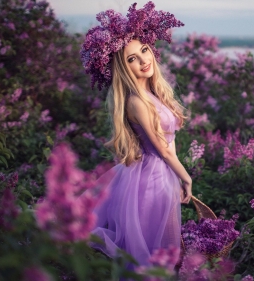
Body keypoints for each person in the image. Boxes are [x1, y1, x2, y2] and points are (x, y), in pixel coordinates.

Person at [80, 1, 192, 268]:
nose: (143, 60)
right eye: (132, 58)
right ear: (123, 67)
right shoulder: (135, 102)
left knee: (164, 246)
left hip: (164, 176)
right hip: (150, 180)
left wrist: (176, 179)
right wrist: (185, 176)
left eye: (144, 50)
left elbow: (170, 142)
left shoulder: (154, 94)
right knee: (148, 251)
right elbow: (162, 149)